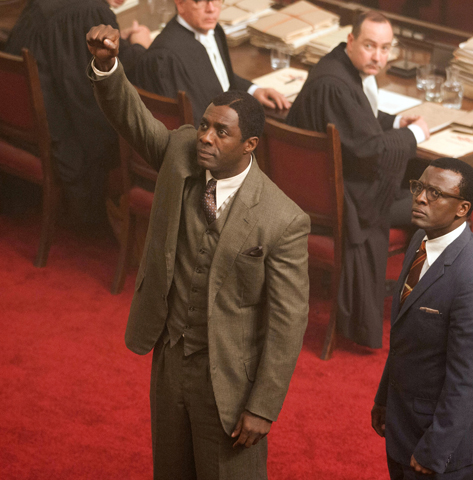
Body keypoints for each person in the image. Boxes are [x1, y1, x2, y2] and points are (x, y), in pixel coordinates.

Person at [86, 24, 310, 479]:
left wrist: (263, 407)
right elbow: (131, 116)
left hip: (227, 377)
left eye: (220, 132)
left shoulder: (282, 219)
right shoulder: (179, 152)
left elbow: (287, 323)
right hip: (169, 356)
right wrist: (107, 66)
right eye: (205, 125)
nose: (205, 137)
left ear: (249, 145)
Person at [286, 11, 430, 349]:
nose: (377, 56)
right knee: (438, 202)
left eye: (384, 48)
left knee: (422, 187)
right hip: (343, 201)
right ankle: (421, 304)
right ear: (351, 41)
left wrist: (393, 123)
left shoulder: (336, 66)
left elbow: (354, 115)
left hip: (319, 188)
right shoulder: (334, 85)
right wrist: (413, 135)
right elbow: (368, 150)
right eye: (369, 46)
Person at [371, 158, 473, 479]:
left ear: (462, 209)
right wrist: (384, 398)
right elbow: (406, 337)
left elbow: (469, 380)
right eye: (418, 187)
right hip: (404, 422)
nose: (419, 198)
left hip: (444, 445)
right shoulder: (420, 240)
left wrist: (436, 448)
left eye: (435, 193)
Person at [3, 0, 151, 224]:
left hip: (19, 129)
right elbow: (104, 79)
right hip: (59, 138)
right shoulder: (90, 12)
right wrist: (141, 47)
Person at [131, 0, 290, 124]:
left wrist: (254, 89)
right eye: (200, 1)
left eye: (216, 0)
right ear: (180, 3)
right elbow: (188, 123)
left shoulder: (213, 29)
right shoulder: (165, 58)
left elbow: (218, 79)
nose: (212, 9)